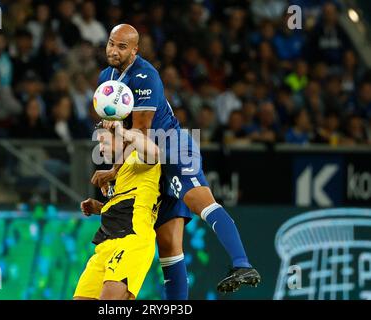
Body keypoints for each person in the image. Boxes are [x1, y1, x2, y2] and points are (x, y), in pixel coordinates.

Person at [91, 24, 260, 298]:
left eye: (122, 46)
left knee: (199, 200)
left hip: (172, 147)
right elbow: (120, 133)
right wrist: (113, 170)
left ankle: (242, 264)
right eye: (111, 43)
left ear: (135, 50)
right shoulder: (106, 78)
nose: (113, 50)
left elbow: (141, 132)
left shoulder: (146, 76)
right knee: (168, 244)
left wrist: (116, 164)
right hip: (147, 161)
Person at [74, 121, 161, 300]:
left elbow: (154, 153)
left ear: (124, 141)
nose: (100, 149)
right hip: (105, 246)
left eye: (105, 142)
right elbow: (129, 201)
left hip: (131, 240)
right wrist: (102, 207)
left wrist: (124, 132)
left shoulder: (139, 159)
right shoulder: (119, 174)